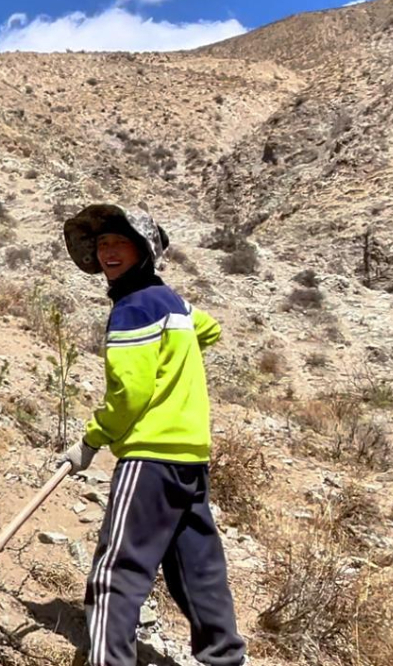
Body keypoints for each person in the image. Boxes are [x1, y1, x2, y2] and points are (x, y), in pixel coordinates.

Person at [60, 204, 246, 666]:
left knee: (116, 573)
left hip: (148, 459)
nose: (107, 252)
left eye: (119, 243)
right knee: (198, 570)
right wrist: (177, 359)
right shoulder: (170, 302)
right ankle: (225, 659)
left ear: (142, 251)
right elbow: (209, 330)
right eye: (102, 244)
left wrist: (91, 441)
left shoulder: (133, 308)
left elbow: (129, 394)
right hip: (190, 459)